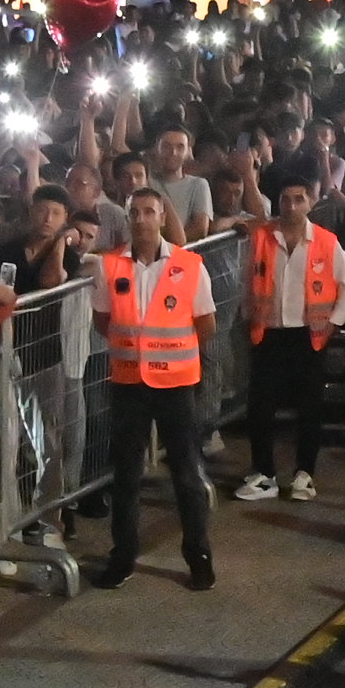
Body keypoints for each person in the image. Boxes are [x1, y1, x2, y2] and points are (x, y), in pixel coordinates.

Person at [94, 186, 218, 591]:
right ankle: (123, 555)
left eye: (150, 211)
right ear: (128, 217)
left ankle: (198, 555)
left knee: (186, 474)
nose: (142, 218)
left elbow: (206, 324)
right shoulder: (109, 266)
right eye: (135, 212)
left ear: (163, 217)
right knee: (126, 475)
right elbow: (103, 320)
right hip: (129, 382)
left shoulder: (190, 265)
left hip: (176, 384)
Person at [236, 175, 345, 504]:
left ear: (311, 202)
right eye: (285, 199)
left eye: (298, 198)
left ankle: (305, 474)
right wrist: (249, 318)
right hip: (268, 332)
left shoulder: (327, 242)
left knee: (309, 408)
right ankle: (264, 473)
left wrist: (332, 323)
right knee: (260, 407)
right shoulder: (261, 237)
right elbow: (249, 280)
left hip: (309, 335)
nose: (290, 206)